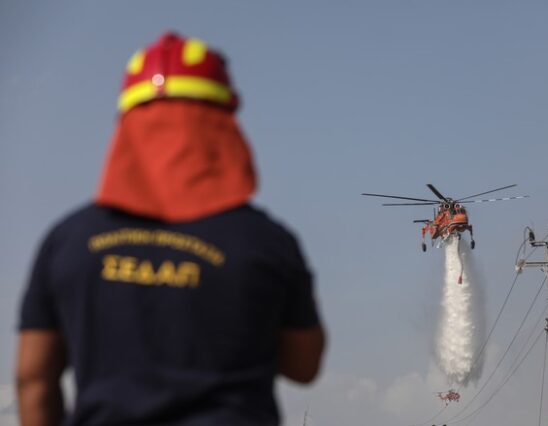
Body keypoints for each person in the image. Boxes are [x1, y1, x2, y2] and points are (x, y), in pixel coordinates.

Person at [16, 32, 325, 426]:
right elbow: (304, 367)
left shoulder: (69, 242)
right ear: (222, 122)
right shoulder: (266, 243)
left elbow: (33, 379)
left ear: (126, 119)